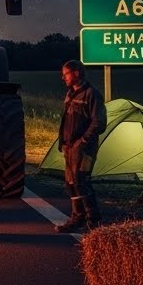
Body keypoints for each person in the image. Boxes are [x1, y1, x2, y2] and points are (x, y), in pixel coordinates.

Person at [55, 60, 106, 232]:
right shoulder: (70, 94)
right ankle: (77, 218)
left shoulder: (92, 95)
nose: (63, 78)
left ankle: (93, 221)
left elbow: (99, 122)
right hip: (69, 147)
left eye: (66, 74)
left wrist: (82, 142)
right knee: (71, 183)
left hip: (84, 149)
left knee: (81, 181)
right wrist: (63, 141)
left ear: (76, 73)